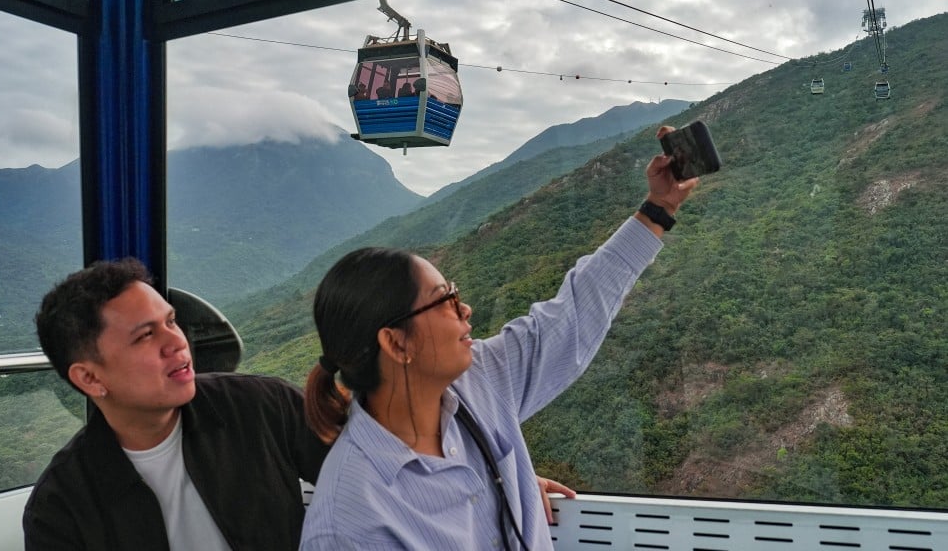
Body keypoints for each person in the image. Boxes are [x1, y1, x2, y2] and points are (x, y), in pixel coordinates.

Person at [299, 127, 700, 550]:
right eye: (445, 300)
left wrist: (659, 208)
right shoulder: (352, 524)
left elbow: (572, 316)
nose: (464, 309)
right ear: (396, 343)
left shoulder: (478, 384)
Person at [22, 258, 330, 551]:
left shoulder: (263, 406)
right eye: (145, 335)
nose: (176, 342)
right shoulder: (61, 506)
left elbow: (366, 475)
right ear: (90, 378)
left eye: (171, 321)